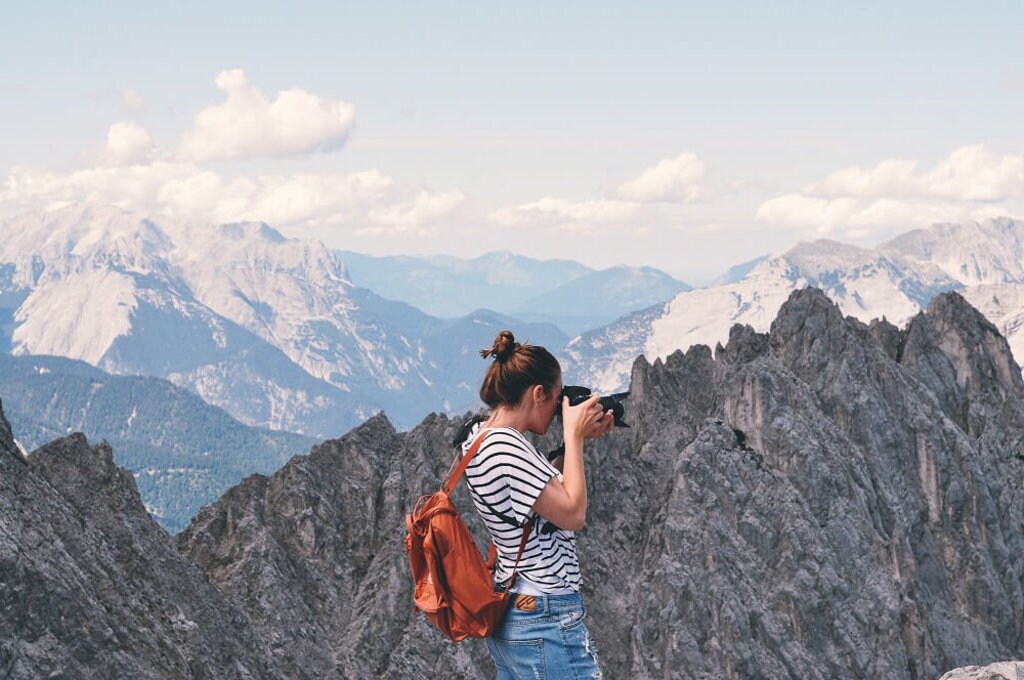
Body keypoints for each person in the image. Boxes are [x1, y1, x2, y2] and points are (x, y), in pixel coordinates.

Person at [461, 329, 614, 679]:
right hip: (543, 615)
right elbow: (573, 514)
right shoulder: (507, 446)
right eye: (557, 398)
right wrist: (573, 438)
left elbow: (536, 499)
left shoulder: (478, 437)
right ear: (538, 393)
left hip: (517, 612)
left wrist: (572, 447)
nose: (560, 410)